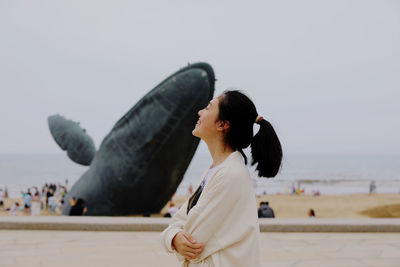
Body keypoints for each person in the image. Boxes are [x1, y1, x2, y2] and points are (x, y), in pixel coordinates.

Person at [161, 90, 282, 266]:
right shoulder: (215, 171)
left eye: (208, 108)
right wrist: (173, 237)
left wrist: (174, 237)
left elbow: (192, 240)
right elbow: (178, 222)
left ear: (222, 124)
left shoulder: (230, 174)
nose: (200, 112)